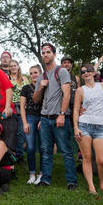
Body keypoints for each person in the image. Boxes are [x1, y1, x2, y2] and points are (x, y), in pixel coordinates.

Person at [33, 43, 78, 189]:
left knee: (65, 150)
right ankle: (45, 180)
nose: (45, 55)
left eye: (48, 52)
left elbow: (67, 94)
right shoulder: (41, 77)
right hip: (45, 118)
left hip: (59, 117)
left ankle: (71, 181)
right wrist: (40, 87)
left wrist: (62, 114)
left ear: (54, 54)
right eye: (43, 53)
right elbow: (35, 100)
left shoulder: (62, 71)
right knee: (45, 150)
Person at [73, 64, 103, 195]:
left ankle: (102, 185)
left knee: (101, 160)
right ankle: (91, 187)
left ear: (94, 73)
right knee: (87, 157)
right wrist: (76, 127)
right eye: (83, 72)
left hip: (101, 126)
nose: (86, 73)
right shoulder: (80, 90)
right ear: (81, 76)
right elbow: (76, 109)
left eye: (88, 71)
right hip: (84, 125)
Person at [20, 64, 44, 184]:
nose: (33, 75)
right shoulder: (26, 88)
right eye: (31, 73)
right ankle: (32, 173)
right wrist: (24, 123)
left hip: (42, 118)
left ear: (40, 73)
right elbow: (22, 107)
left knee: (42, 147)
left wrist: (42, 120)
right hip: (29, 117)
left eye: (35, 72)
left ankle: (42, 174)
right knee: (30, 148)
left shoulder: (45, 86)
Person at [9, 59, 28, 165]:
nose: (13, 67)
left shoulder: (24, 78)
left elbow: (29, 91)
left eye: (14, 65)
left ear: (18, 66)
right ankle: (11, 155)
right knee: (11, 132)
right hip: (11, 107)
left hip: (22, 107)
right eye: (11, 66)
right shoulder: (7, 78)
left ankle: (20, 156)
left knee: (21, 133)